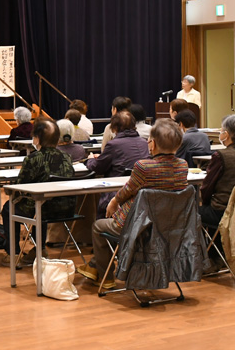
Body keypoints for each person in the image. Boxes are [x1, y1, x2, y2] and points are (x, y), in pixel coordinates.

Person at [78, 119, 189, 287]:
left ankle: (106, 277)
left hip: (139, 225)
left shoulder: (144, 167)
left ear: (153, 144)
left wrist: (114, 200)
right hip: (168, 225)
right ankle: (94, 267)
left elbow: (128, 190)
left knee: (99, 226)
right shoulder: (183, 166)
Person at [0, 119, 74, 266]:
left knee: (10, 208)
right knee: (42, 202)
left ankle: (13, 253)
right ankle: (40, 249)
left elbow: (19, 188)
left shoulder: (32, 159)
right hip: (66, 209)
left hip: (41, 209)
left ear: (37, 139)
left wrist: (9, 190)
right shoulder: (66, 157)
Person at [88, 111, 151, 215]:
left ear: (114, 128)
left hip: (117, 197)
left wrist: (90, 160)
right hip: (141, 198)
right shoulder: (144, 143)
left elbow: (97, 167)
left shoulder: (113, 145)